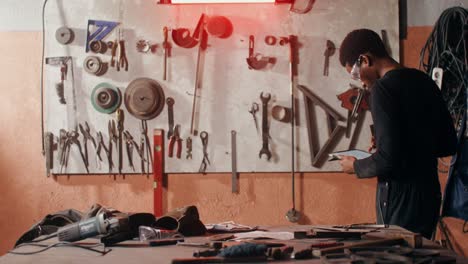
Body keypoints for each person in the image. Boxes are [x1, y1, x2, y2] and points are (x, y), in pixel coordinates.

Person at [338, 29, 457, 239]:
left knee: (395, 255)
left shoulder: (382, 89)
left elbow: (387, 160)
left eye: (355, 74)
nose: (360, 82)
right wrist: (397, 138)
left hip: (399, 198)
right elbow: (447, 143)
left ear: (365, 59)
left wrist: (355, 166)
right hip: (428, 194)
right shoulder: (424, 81)